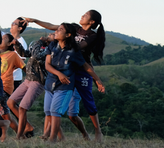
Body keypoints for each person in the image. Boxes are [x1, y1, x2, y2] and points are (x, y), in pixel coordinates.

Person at [24, 10, 106, 141]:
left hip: (82, 69)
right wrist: (34, 20)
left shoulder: (92, 35)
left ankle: (97, 131)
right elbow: (51, 26)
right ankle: (50, 134)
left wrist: (97, 80)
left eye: (85, 15)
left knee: (85, 103)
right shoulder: (73, 27)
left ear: (91, 22)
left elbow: (77, 47)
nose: (82, 15)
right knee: (58, 104)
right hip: (67, 69)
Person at [42, 23, 105, 143]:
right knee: (48, 111)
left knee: (56, 111)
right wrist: (59, 74)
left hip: (65, 86)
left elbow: (86, 66)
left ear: (68, 35)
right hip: (50, 83)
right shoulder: (52, 45)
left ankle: (52, 140)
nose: (56, 31)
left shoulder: (74, 51)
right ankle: (52, 136)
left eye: (60, 30)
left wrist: (97, 80)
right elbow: (47, 65)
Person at [10, 34, 53, 139]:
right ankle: (27, 127)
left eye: (52, 34)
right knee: (10, 102)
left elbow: (38, 55)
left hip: (37, 82)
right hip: (27, 80)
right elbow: (25, 53)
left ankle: (20, 135)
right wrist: (18, 45)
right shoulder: (41, 47)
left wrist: (39, 42)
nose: (49, 34)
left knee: (22, 108)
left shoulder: (51, 50)